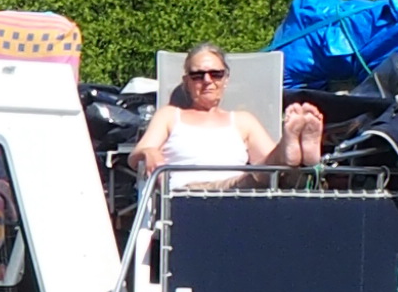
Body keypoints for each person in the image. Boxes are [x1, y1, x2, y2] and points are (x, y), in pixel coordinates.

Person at [135, 46, 321, 190]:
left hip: (240, 195)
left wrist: (280, 155)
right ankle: (294, 151)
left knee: (273, 171)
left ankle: (296, 151)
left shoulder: (242, 121)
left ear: (225, 80)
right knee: (249, 180)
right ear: (187, 82)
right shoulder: (170, 115)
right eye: (198, 75)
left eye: (216, 74)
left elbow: (266, 166)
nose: (207, 80)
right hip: (189, 195)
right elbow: (136, 155)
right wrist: (149, 152)